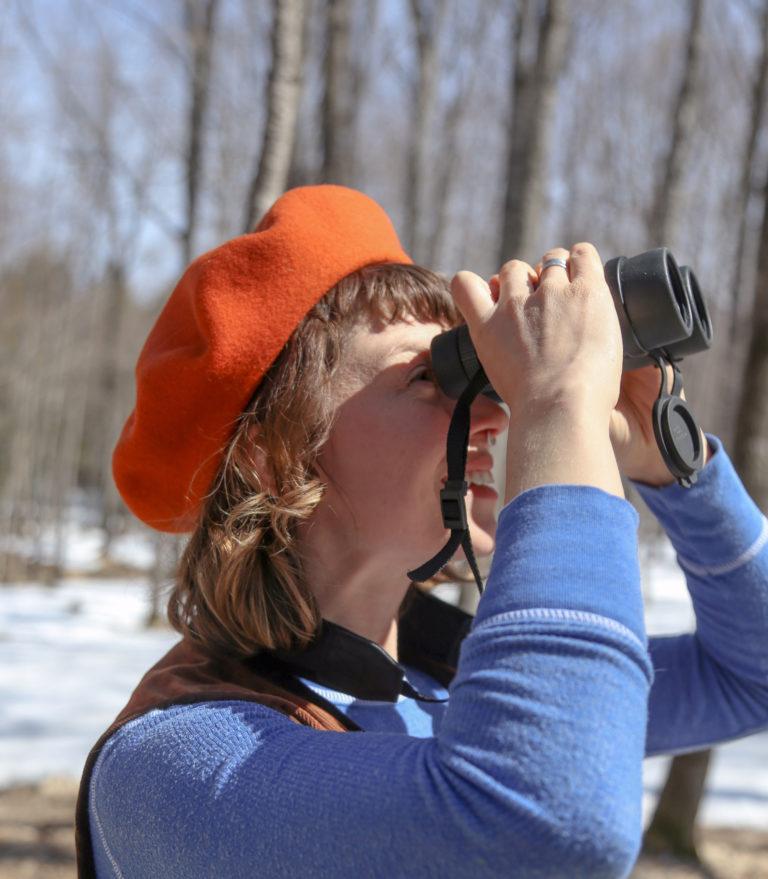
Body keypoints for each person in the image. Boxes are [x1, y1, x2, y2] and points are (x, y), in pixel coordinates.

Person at [75, 184, 768, 879]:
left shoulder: (437, 680)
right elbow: (545, 823)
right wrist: (557, 407)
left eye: (480, 378)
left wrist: (676, 467)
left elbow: (753, 675)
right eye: (430, 379)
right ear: (272, 458)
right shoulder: (174, 763)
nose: (495, 419)